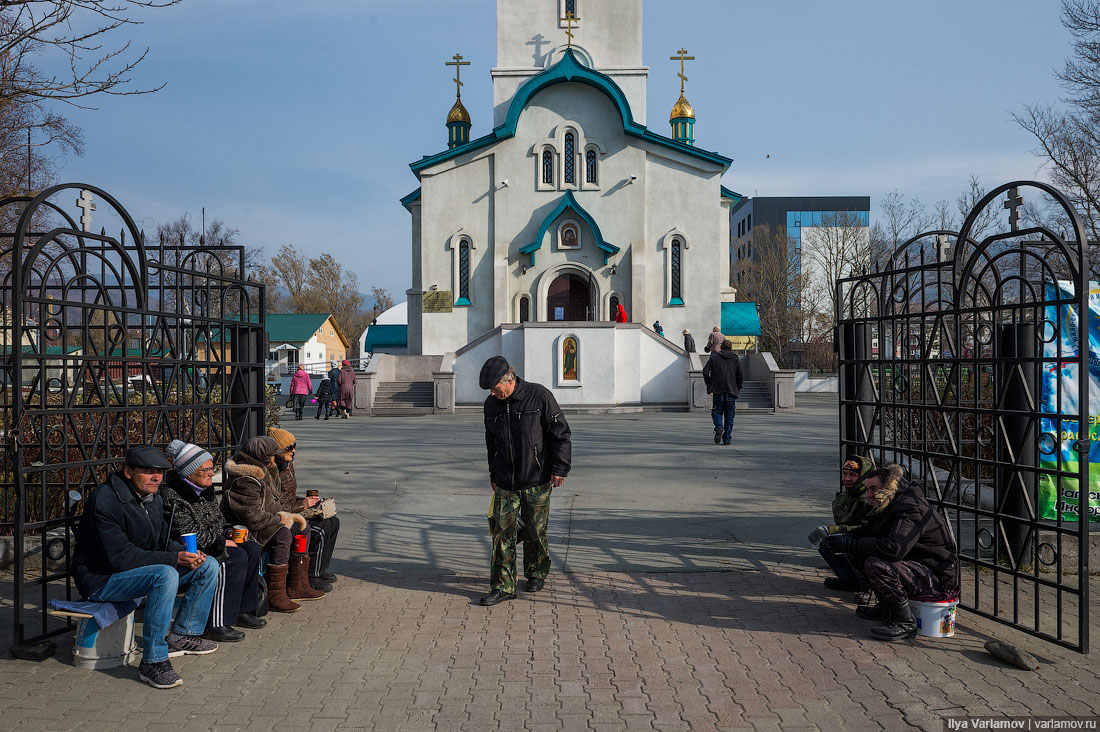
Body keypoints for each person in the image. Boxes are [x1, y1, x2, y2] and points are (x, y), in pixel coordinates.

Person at [72, 445, 220, 690]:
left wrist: (185, 553)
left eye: (160, 471)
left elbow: (161, 541)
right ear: (128, 471)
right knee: (165, 573)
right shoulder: (106, 501)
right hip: (102, 579)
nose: (156, 477)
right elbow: (120, 558)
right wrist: (174, 559)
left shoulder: (152, 496)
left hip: (135, 571)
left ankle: (182, 635)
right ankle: (153, 661)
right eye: (149, 471)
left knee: (208, 565)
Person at [820, 464, 960, 641]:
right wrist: (846, 537)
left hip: (937, 577)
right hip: (918, 566)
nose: (870, 494)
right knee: (861, 551)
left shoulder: (910, 508)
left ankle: (905, 622)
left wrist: (852, 544)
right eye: (868, 489)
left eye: (874, 489)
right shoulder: (891, 503)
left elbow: (894, 549)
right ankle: (887, 607)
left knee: (876, 564)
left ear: (888, 488)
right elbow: (871, 530)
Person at [479, 357, 572, 606]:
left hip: (537, 479)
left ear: (508, 381)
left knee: (535, 530)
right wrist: (493, 475)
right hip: (505, 482)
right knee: (501, 535)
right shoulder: (491, 405)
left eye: (494, 387)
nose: (491, 393)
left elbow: (560, 433)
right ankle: (503, 586)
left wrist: (560, 468)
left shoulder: (538, 395)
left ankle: (536, 572)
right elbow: (491, 443)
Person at [162, 442, 266, 643]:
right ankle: (216, 623)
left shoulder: (204, 489)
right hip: (192, 548)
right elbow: (184, 532)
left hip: (214, 539)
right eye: (206, 469)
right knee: (233, 557)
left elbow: (217, 521)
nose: (211, 473)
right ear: (190, 472)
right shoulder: (173, 495)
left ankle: (242, 610)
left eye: (212, 468)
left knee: (252, 548)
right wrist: (220, 542)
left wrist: (228, 531)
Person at [221, 436, 316, 612]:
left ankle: (297, 585)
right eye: (274, 455)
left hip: (267, 521)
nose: (276, 458)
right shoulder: (245, 479)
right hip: (248, 530)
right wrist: (281, 519)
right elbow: (253, 517)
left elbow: (279, 500)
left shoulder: (268, 470)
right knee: (283, 534)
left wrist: (289, 515)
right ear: (265, 456)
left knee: (302, 527)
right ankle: (275, 593)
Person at [269, 427, 340, 593]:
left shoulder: (287, 464)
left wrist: (310, 503)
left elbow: (290, 497)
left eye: (295, 445)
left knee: (333, 522)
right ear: (278, 451)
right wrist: (304, 505)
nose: (293, 450)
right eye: (289, 447)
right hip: (281, 517)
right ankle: (311, 575)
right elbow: (278, 504)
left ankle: (321, 569)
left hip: (293, 510)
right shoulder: (274, 470)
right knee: (321, 528)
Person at [808, 455, 876, 591]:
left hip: (875, 543)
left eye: (853, 475)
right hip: (858, 538)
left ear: (864, 476)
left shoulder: (873, 497)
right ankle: (850, 580)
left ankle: (871, 587)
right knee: (829, 544)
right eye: (844, 474)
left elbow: (869, 529)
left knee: (847, 542)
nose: (847, 479)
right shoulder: (845, 498)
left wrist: (830, 530)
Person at [702, 339, 744, 445]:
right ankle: (727, 438)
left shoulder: (714, 357)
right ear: (731, 348)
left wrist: (709, 383)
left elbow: (705, 371)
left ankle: (719, 426)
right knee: (730, 415)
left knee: (716, 411)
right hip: (731, 390)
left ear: (720, 347)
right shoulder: (735, 358)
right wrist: (738, 387)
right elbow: (740, 374)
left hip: (718, 389)